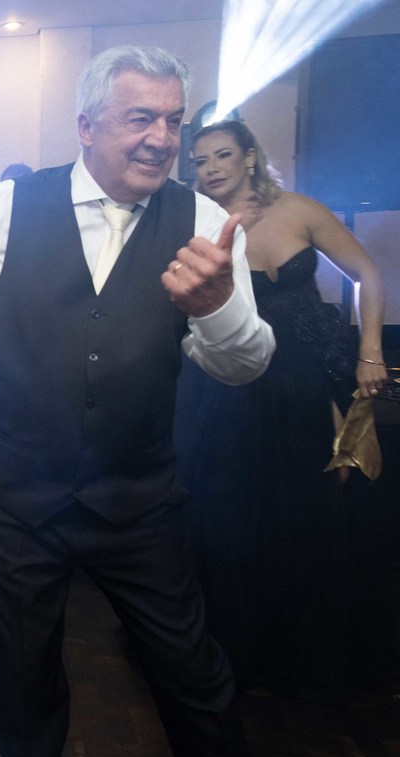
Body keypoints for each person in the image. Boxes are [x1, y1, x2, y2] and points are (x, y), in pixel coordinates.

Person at [0, 46, 275, 757]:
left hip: (137, 497)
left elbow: (245, 364)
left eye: (173, 121)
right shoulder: (8, 207)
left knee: (192, 671)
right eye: (140, 118)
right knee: (21, 673)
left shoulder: (205, 222)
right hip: (13, 496)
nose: (161, 138)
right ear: (87, 127)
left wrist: (218, 306)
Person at [175, 119, 388, 703]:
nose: (210, 168)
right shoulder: (196, 227)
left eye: (222, 155)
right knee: (233, 514)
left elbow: (368, 274)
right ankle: (234, 653)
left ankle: (305, 652)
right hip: (233, 383)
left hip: (310, 376)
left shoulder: (299, 210)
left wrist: (370, 351)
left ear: (249, 157)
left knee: (315, 506)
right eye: (200, 161)